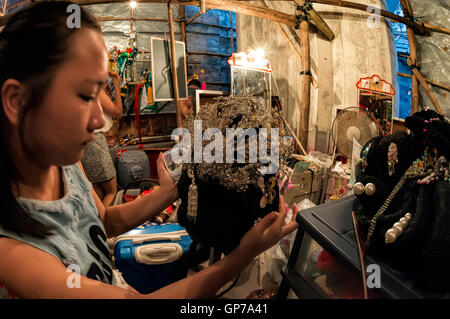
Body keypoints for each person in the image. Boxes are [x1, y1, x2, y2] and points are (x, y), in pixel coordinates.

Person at [0, 2, 298, 299]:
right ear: (17, 101)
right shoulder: (12, 253)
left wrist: (173, 190)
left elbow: (104, 220)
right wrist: (243, 256)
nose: (98, 119)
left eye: (98, 94)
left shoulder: (64, 164)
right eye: (84, 95)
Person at [81, 71, 122, 207]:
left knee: (97, 192)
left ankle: (95, 224)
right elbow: (118, 112)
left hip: (84, 142)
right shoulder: (95, 88)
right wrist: (117, 86)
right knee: (111, 191)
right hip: (95, 141)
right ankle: (104, 225)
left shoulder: (80, 86)